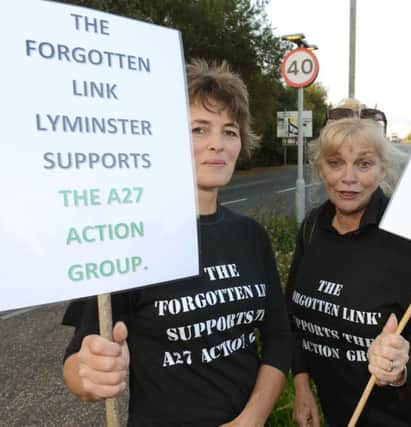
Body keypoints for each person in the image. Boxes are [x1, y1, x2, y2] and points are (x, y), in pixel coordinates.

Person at [62, 59, 291, 426]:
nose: (217, 144)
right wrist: (89, 373)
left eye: (229, 131)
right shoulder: (131, 240)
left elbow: (279, 339)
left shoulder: (251, 236)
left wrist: (251, 419)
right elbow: (77, 363)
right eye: (199, 129)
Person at [286, 115, 411, 426]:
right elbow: (293, 318)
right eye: (336, 163)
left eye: (364, 164)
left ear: (383, 169)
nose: (348, 177)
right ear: (320, 169)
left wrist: (402, 367)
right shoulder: (312, 228)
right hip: (342, 413)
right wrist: (302, 387)